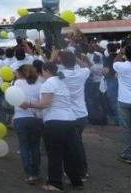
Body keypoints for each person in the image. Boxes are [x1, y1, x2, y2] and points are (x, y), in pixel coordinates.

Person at [25, 62, 83, 191]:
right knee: (70, 153)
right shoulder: (62, 82)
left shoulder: (49, 83)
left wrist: (28, 104)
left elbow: (44, 104)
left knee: (54, 154)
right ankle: (76, 181)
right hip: (70, 120)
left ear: (46, 70)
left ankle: (55, 183)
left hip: (55, 122)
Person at [58, 51, 91, 179]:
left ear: (61, 62)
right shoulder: (82, 73)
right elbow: (86, 66)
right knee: (76, 143)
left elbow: (48, 67)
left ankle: (80, 172)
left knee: (74, 145)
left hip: (68, 115)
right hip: (82, 114)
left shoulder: (60, 75)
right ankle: (79, 170)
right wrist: (75, 57)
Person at [13, 65, 43, 184]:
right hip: (36, 117)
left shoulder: (18, 83)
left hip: (20, 117)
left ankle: (29, 174)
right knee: (35, 146)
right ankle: (36, 172)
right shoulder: (40, 84)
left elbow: (13, 98)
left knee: (24, 146)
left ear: (21, 73)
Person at [113, 43, 131, 164]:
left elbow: (114, 62)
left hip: (124, 101)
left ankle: (128, 154)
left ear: (126, 54)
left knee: (125, 128)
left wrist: (121, 52)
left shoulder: (120, 66)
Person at [103, 43, 119, 125]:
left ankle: (118, 120)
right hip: (120, 80)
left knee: (113, 100)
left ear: (108, 50)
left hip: (111, 80)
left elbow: (106, 71)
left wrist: (105, 74)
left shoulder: (108, 58)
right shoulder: (121, 57)